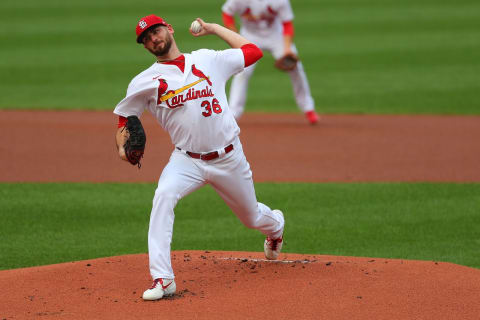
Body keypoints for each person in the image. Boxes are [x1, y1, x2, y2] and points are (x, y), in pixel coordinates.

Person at [114, 14, 285, 301]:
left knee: (251, 217)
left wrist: (213, 28)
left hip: (229, 158)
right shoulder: (144, 81)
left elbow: (253, 52)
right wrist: (122, 149)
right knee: (163, 196)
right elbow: (123, 121)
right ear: (144, 46)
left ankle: (276, 227)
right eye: (146, 39)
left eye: (155, 32)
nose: (152, 39)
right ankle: (163, 279)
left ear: (168, 29)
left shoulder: (208, 59)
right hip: (186, 160)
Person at [221, 0, 320, 124]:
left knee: (296, 68)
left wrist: (288, 49)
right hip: (249, 37)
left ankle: (308, 108)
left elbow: (287, 24)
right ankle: (234, 113)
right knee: (242, 71)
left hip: (276, 36)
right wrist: (234, 36)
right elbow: (227, 13)